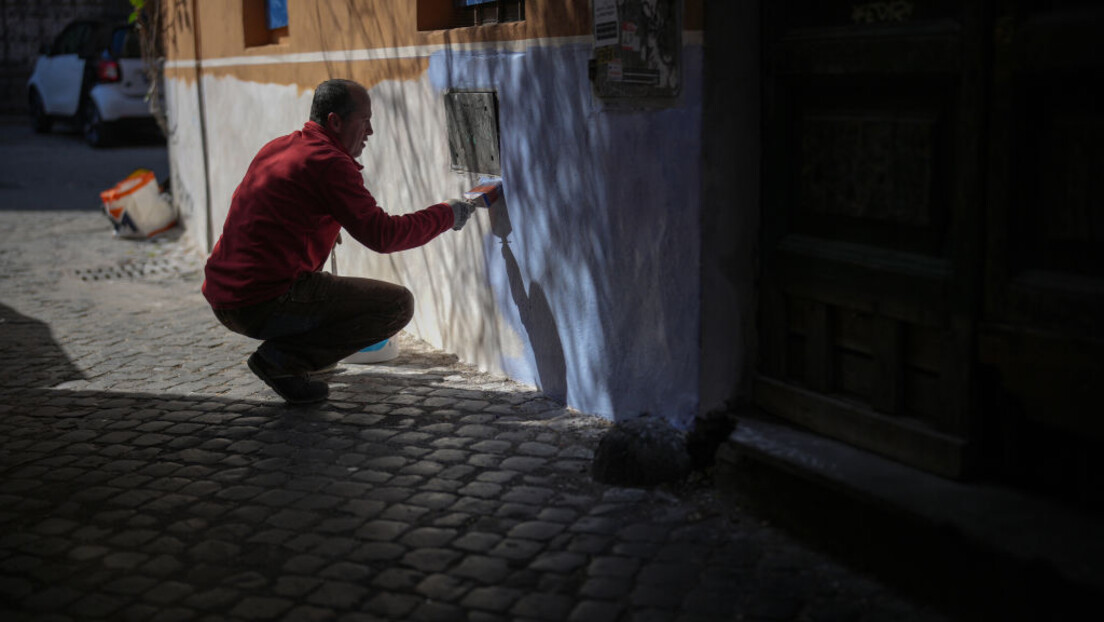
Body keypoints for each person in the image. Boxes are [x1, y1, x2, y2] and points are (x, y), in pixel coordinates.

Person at [202, 78, 473, 404]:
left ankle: (293, 357)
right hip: (259, 302)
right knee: (396, 305)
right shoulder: (328, 163)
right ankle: (281, 360)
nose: (370, 132)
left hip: (224, 295)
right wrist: (447, 214)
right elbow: (383, 235)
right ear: (335, 121)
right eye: (365, 121)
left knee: (333, 299)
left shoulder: (282, 146)